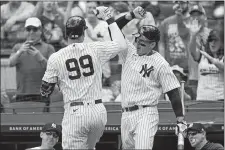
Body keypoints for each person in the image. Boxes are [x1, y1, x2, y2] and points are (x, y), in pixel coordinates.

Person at [40, 6, 127, 149]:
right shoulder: (95, 48)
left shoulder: (56, 57)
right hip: (98, 112)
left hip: (75, 112)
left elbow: (45, 91)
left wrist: (61, 83)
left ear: (66, 33)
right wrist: (109, 18)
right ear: (83, 32)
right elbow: (122, 45)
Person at [114, 7, 187, 149]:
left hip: (146, 113)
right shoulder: (128, 51)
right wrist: (130, 16)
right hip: (125, 114)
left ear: (152, 44)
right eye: (137, 39)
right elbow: (114, 28)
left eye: (142, 42)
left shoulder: (160, 63)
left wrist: (180, 119)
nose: (137, 44)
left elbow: (173, 92)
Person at [158, 0, 199, 100]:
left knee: (189, 99)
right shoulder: (166, 22)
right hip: (171, 68)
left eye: (182, 2)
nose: (178, 5)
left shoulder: (193, 22)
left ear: (188, 4)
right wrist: (163, 64)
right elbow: (161, 44)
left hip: (188, 69)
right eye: (176, 2)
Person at [9, 17, 55, 103]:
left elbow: (54, 69)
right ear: (25, 31)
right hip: (22, 93)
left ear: (40, 31)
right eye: (28, 29)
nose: (31, 32)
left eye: (35, 29)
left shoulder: (49, 48)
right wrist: (19, 52)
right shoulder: (17, 47)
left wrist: (40, 57)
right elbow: (10, 63)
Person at [188, 24, 224, 100]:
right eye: (211, 40)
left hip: (220, 101)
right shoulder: (202, 56)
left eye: (216, 40)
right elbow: (192, 50)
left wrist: (212, 59)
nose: (213, 43)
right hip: (202, 100)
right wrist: (193, 35)